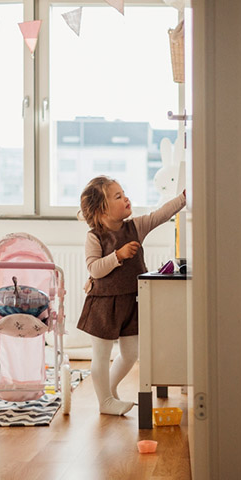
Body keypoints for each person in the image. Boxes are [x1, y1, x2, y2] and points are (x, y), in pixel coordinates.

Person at [77, 176, 186, 415]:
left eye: (124, 193)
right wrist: (118, 255)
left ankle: (111, 389)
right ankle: (104, 401)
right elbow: (94, 268)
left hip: (132, 302)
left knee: (130, 354)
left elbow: (160, 215)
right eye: (118, 196)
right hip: (104, 304)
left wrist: (183, 198)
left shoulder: (136, 227)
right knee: (101, 355)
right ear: (102, 210)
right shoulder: (94, 236)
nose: (126, 198)